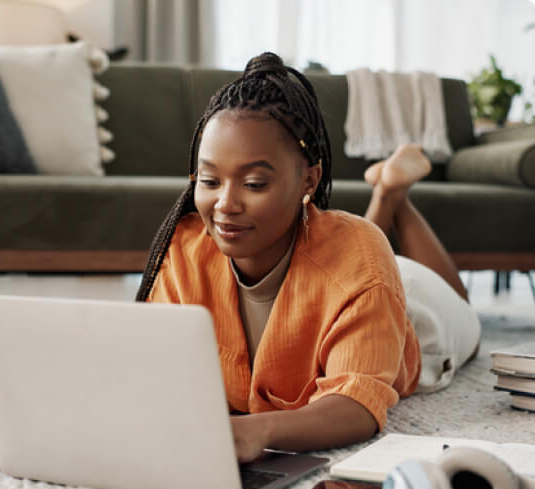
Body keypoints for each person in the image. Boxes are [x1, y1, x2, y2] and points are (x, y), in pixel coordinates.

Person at [136, 52, 480, 463]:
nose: (225, 204)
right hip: (354, 271)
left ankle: (393, 198)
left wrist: (258, 429)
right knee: (361, 251)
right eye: (209, 180)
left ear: (309, 179)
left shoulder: (362, 262)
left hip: (419, 318)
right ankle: (387, 194)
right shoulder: (184, 250)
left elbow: (357, 405)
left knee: (457, 303)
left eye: (254, 183)